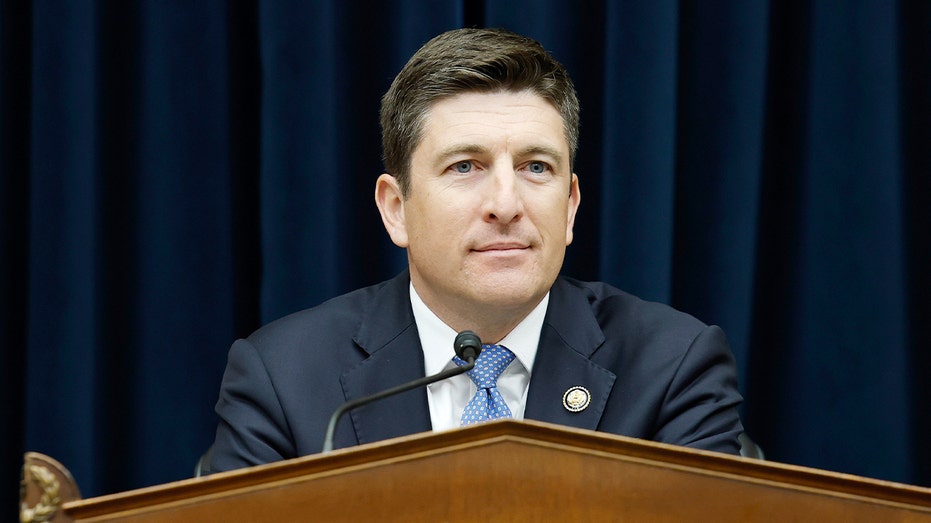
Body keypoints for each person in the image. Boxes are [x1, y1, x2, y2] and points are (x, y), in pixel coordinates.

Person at [206, 27, 743, 473]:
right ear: (396, 208)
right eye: (465, 166)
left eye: (537, 167)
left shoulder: (673, 366)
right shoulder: (284, 376)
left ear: (571, 206)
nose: (506, 204)